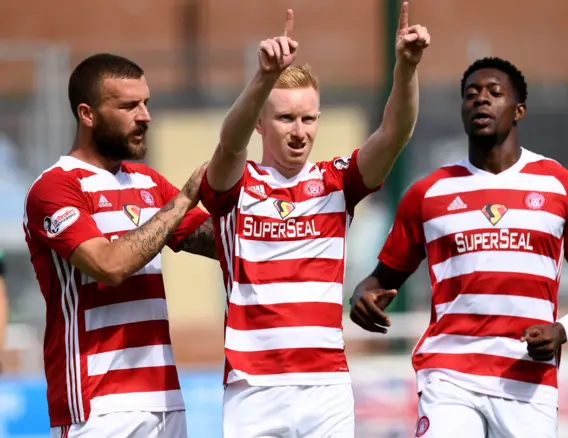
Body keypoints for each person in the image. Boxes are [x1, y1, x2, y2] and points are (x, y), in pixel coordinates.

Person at [349, 57, 568, 438]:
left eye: (494, 93)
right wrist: (363, 295)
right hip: (449, 375)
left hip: (527, 379)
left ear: (519, 109)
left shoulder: (562, 187)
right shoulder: (428, 194)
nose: (481, 100)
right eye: (471, 94)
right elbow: (381, 279)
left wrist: (563, 329)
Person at [200, 3, 429, 437]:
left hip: (325, 386)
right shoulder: (237, 184)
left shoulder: (336, 181)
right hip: (252, 388)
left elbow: (394, 133)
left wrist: (406, 68)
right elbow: (229, 143)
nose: (299, 131)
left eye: (308, 118)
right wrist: (264, 77)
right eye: (286, 118)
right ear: (261, 125)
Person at [22, 53, 217, 438]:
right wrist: (183, 200)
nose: (144, 115)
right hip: (98, 406)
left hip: (165, 399)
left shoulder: (146, 182)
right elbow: (109, 266)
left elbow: (222, 244)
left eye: (146, 103)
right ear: (87, 114)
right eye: (129, 105)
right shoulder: (56, 187)